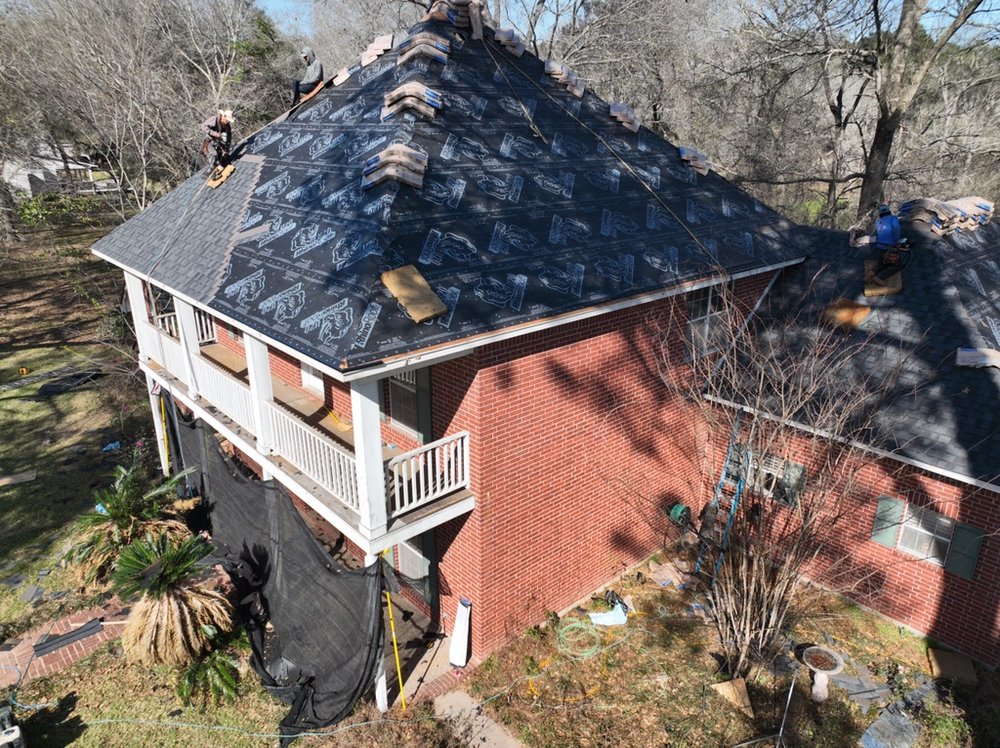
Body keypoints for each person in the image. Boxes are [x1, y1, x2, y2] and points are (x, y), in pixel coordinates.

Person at [201, 109, 234, 178]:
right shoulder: (214, 120)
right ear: (223, 116)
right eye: (227, 119)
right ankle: (210, 171)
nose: (227, 121)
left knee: (224, 159)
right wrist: (215, 134)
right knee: (214, 154)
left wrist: (226, 149)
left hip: (219, 144)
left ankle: (215, 169)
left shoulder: (227, 126)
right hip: (209, 142)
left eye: (229, 120)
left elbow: (229, 137)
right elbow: (203, 126)